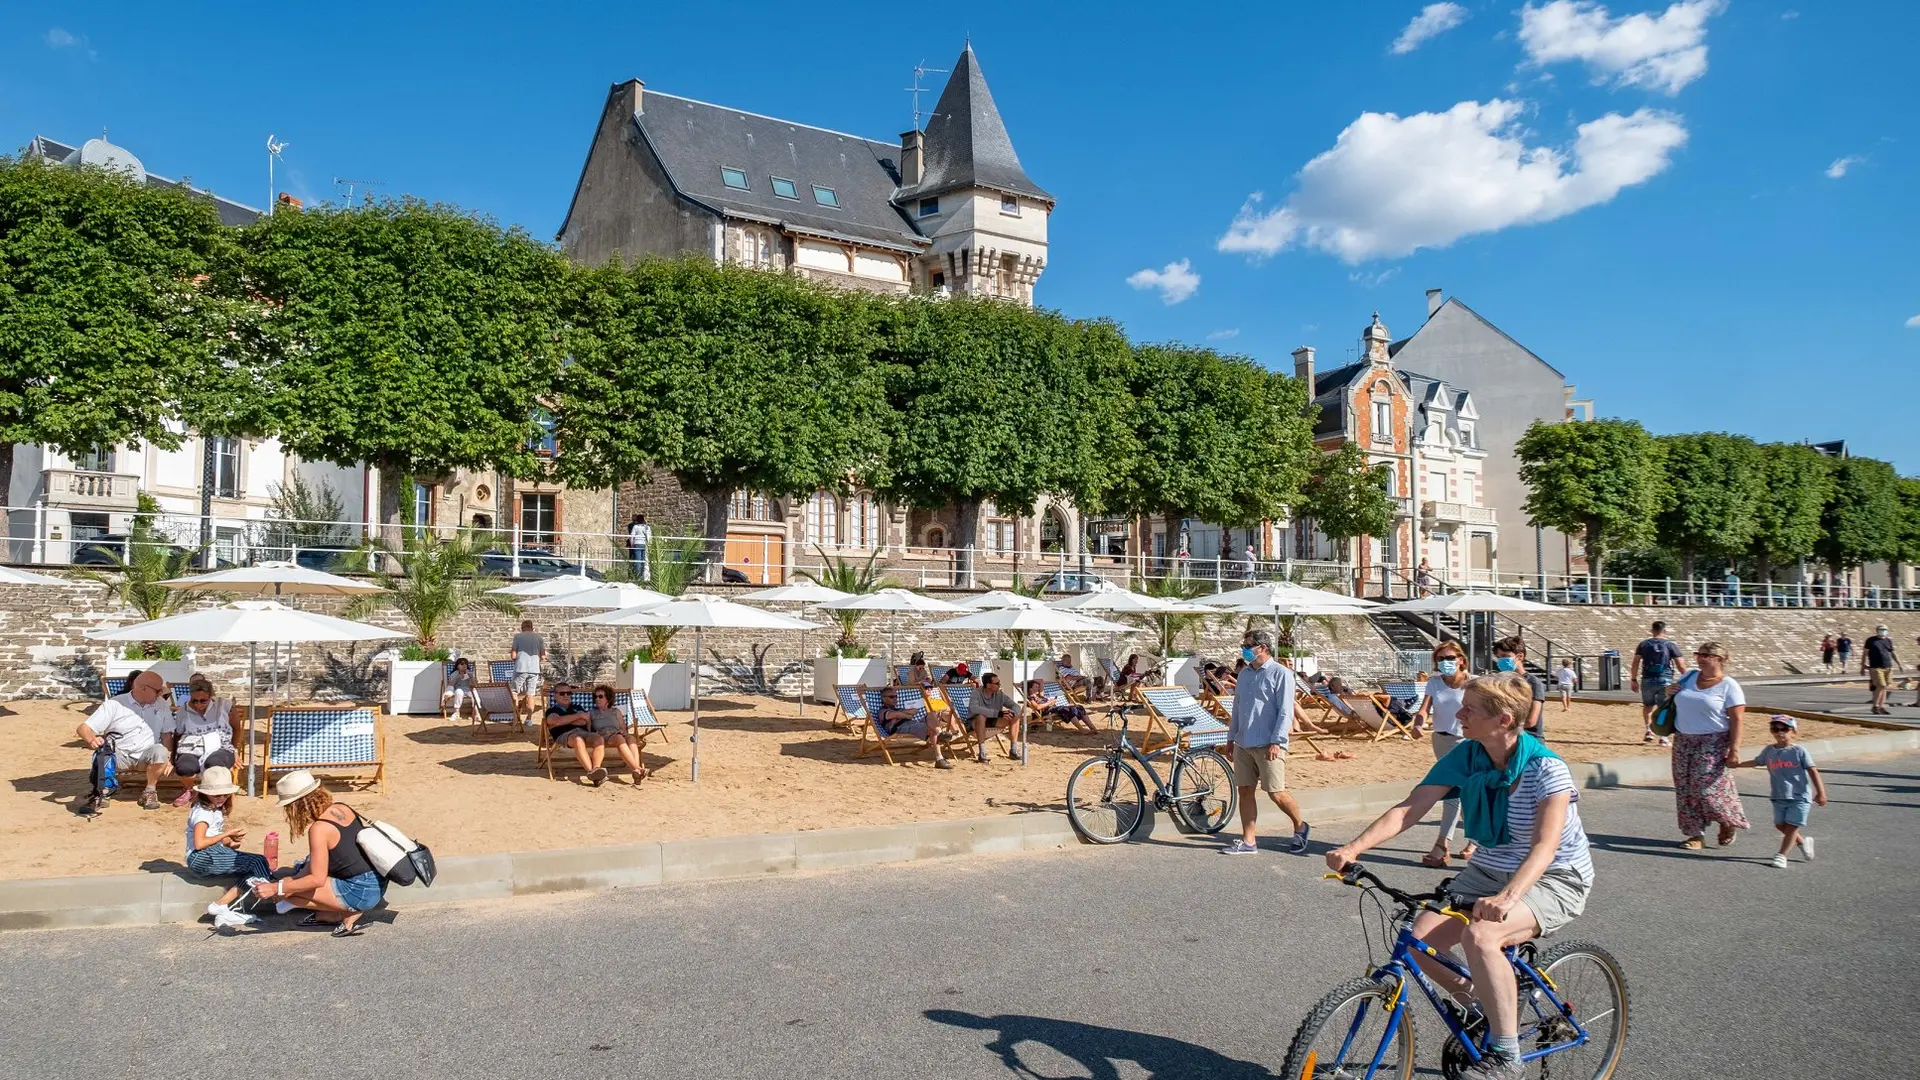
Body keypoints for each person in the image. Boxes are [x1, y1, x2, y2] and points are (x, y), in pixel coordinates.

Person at [1326, 673, 1593, 1080]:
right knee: (1417, 944)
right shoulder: (1468, 755)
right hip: (1487, 869)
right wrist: (1353, 848)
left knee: (1482, 936)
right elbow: (1410, 808)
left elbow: (1546, 846)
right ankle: (1489, 1008)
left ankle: (1506, 1056)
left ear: (1503, 720)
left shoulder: (1546, 770)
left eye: (1469, 709)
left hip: (1555, 877)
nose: (1458, 713)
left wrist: (1507, 899)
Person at [252, 771, 385, 937]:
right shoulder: (341, 807)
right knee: (291, 883)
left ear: (297, 806)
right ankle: (326, 913)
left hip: (361, 891)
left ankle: (346, 911)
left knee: (288, 889)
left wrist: (277, 887)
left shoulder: (319, 829)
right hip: (376, 881)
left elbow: (317, 879)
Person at [1220, 630, 1312, 855]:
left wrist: (1277, 741)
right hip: (1243, 742)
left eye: (1249, 645)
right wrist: (1231, 738)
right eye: (1244, 644)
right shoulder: (1243, 675)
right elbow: (1238, 708)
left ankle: (1300, 826)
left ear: (1262, 647)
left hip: (1268, 743)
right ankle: (1249, 840)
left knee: (1276, 792)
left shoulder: (1281, 674)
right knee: (1245, 791)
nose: (1244, 648)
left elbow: (1285, 711)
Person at [1666, 641, 1750, 850]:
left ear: (1720, 660)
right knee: (1684, 788)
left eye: (1706, 655)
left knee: (1707, 789)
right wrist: (1668, 690)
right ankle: (1695, 834)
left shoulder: (1729, 685)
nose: (1700, 658)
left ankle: (1727, 821)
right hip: (1683, 740)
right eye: (1698, 654)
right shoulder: (1689, 677)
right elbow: (1673, 696)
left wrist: (1735, 749)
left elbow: (1737, 719)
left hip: (1713, 742)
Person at [185, 766, 273, 931]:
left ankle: (222, 905)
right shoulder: (203, 813)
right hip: (200, 856)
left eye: (225, 795)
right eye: (217, 795)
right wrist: (226, 834)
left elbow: (213, 839)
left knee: (254, 868)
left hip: (210, 853)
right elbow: (200, 843)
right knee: (258, 862)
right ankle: (273, 892)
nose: (222, 798)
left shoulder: (213, 810)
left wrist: (230, 842)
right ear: (206, 793)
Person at [75, 670, 175, 811]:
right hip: (119, 755)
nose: (160, 694)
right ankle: (100, 794)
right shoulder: (115, 704)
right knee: (103, 755)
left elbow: (167, 734)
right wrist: (92, 739)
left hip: (146, 756)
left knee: (161, 751)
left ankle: (150, 791)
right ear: (143, 688)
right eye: (158, 691)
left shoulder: (161, 704)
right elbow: (83, 728)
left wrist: (169, 759)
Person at [1414, 641, 1474, 866]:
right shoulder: (1434, 683)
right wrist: (1418, 724)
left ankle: (1442, 846)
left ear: (1460, 659)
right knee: (1459, 793)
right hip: (1440, 740)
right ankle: (1472, 840)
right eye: (1441, 659)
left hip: (1465, 742)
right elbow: (1424, 709)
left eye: (1450, 658)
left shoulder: (1473, 683)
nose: (1445, 663)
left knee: (1454, 794)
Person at [1737, 716, 1825, 869]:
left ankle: (1781, 855)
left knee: (1792, 826)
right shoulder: (1769, 751)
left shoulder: (1799, 751)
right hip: (1779, 795)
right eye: (1775, 729)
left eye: (1784, 729)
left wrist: (1821, 792)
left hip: (1799, 796)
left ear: (1793, 732)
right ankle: (1803, 843)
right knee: (1780, 825)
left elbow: (1813, 771)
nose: (1779, 733)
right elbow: (1757, 761)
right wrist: (1736, 765)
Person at [165, 676, 240, 806]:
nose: (198, 704)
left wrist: (235, 749)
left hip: (221, 746)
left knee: (215, 763)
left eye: (203, 701)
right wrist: (172, 758)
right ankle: (190, 789)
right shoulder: (184, 710)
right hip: (192, 746)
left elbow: (236, 729)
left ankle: (213, 795)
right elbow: (178, 734)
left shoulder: (224, 706)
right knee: (184, 768)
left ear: (211, 696)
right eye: (195, 701)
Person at [1630, 620, 1686, 745]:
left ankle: (1649, 730)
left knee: (1648, 705)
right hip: (1665, 679)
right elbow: (1680, 664)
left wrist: (1633, 679)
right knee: (1663, 707)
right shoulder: (1670, 645)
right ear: (1664, 631)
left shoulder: (1643, 644)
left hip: (1647, 678)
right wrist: (1688, 677)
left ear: (1652, 631)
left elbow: (1635, 662)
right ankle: (1663, 737)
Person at [543, 682, 607, 785]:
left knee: (598, 738)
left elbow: (584, 721)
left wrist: (565, 720)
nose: (566, 696)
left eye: (568, 693)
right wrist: (578, 716)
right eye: (562, 693)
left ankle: (596, 769)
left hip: (583, 732)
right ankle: (591, 772)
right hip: (564, 735)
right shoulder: (552, 710)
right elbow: (555, 721)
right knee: (578, 740)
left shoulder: (577, 707)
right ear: (555, 695)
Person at [586, 684, 649, 785]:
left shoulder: (616, 711)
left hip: (617, 733)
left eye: (600, 696)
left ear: (608, 698)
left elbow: (623, 728)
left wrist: (623, 733)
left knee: (631, 739)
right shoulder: (591, 713)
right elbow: (588, 730)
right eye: (596, 697)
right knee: (619, 739)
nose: (597, 699)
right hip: (603, 736)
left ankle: (636, 772)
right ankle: (637, 769)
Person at [878, 685, 952, 770]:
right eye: (891, 697)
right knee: (931, 730)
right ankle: (939, 758)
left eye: (896, 696)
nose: (895, 698)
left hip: (910, 724)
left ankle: (940, 733)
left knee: (931, 714)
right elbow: (896, 715)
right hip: (900, 728)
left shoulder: (899, 708)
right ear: (884, 699)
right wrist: (905, 714)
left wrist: (905, 714)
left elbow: (914, 711)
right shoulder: (882, 711)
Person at [1489, 637, 1547, 738]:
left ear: (1519, 656)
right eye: (1498, 657)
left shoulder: (1533, 683)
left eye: (1505, 656)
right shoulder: (1500, 682)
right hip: (1506, 737)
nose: (1500, 660)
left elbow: (1531, 720)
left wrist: (1501, 727)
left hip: (1529, 738)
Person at [968, 673, 1027, 762]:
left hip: (993, 721)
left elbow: (1016, 706)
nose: (999, 685)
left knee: (1015, 716)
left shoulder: (999, 694)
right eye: (997, 683)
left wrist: (1012, 712)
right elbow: (974, 709)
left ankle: (1013, 750)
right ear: (988, 685)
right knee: (981, 716)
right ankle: (982, 753)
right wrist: (998, 713)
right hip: (975, 723)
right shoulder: (976, 693)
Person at [1025, 678, 1096, 735]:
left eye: (1038, 687)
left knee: (1079, 707)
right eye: (1036, 687)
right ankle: (1081, 729)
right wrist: (1049, 702)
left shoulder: (1040, 695)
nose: (1038, 688)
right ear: (1030, 689)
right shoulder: (1030, 698)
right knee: (1068, 710)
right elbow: (1037, 707)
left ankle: (1092, 728)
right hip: (1046, 712)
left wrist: (1052, 702)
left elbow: (1041, 681)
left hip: (1052, 708)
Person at [510, 619, 545, 725]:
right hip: (534, 669)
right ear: (532, 627)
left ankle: (516, 717)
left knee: (514, 692)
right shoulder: (539, 637)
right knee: (531, 694)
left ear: (522, 627)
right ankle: (529, 719)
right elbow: (543, 656)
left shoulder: (518, 637)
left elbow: (513, 655)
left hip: (520, 667)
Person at [1861, 624, 1902, 715]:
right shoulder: (1871, 640)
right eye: (1881, 629)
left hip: (1887, 666)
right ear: (1877, 630)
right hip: (1876, 667)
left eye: (1884, 629)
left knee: (1884, 687)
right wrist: (1863, 666)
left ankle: (1881, 706)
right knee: (1881, 686)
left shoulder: (1888, 640)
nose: (1883, 631)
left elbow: (1892, 653)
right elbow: (1865, 653)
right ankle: (1875, 706)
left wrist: (1899, 663)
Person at [626, 513, 651, 581]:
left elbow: (632, 536)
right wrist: (649, 544)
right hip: (644, 544)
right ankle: (643, 576)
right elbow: (649, 536)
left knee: (638, 561)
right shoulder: (647, 527)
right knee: (644, 561)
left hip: (637, 544)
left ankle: (638, 576)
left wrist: (632, 544)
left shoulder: (635, 527)